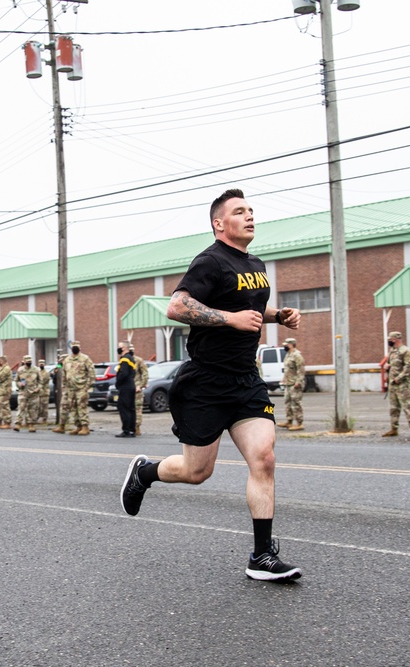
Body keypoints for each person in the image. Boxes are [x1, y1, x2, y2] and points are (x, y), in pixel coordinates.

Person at [120, 188, 303, 582]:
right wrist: (230, 319)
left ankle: (262, 556)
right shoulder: (210, 260)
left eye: (251, 210)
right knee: (196, 471)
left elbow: (247, 306)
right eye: (240, 212)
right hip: (206, 382)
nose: (250, 216)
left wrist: (276, 316)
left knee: (264, 459)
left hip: (245, 380)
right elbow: (178, 306)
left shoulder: (253, 262)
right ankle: (145, 473)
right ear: (220, 224)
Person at [383, 331, 410, 438]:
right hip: (392, 384)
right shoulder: (392, 351)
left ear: (395, 339)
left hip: (403, 384)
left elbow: (409, 367)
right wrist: (388, 366)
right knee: (393, 407)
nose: (389, 341)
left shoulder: (406, 351)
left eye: (390, 339)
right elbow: (393, 364)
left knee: (408, 406)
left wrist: (399, 378)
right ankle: (394, 429)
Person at [59, 341, 93, 436]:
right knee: (73, 408)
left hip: (81, 388)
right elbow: (64, 374)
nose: (75, 348)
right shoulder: (67, 360)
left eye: (76, 347)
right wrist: (64, 386)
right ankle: (78, 426)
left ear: (80, 348)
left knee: (82, 407)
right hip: (70, 389)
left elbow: (91, 373)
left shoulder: (85, 359)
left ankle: (85, 427)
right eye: (73, 347)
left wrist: (88, 386)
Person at [277, 337, 306, 431]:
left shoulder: (297, 355)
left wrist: (298, 382)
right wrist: (283, 380)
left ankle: (299, 423)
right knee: (288, 403)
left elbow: (301, 370)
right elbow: (287, 370)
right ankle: (289, 421)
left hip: (295, 383)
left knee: (296, 403)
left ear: (291, 345)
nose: (284, 346)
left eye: (286, 345)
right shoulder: (288, 355)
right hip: (288, 383)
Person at [114, 342, 136, 438]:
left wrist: (118, 383)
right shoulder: (131, 358)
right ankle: (132, 430)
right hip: (130, 385)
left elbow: (123, 373)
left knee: (124, 408)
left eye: (119, 347)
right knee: (131, 408)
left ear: (123, 348)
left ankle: (126, 430)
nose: (118, 349)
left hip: (125, 387)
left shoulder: (125, 359)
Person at [13, 355, 40, 432]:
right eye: (27, 361)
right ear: (24, 361)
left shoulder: (35, 369)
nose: (29, 363)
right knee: (21, 408)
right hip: (23, 392)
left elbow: (40, 381)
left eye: (30, 362)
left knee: (32, 409)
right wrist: (19, 384)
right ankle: (18, 424)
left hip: (33, 392)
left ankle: (31, 425)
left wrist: (38, 388)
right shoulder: (20, 370)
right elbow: (16, 380)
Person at [130, 345, 148, 435]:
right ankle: (129, 427)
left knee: (137, 409)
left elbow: (145, 373)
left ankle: (136, 427)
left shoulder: (138, 360)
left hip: (136, 389)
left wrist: (141, 386)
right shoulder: (124, 361)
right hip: (128, 389)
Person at [0, 356, 14, 429]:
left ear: (3, 361)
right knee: (1, 406)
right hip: (1, 390)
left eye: (0, 361)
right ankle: (2, 421)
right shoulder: (2, 368)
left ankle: (7, 422)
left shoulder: (6, 369)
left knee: (5, 407)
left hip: (4, 390)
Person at [37, 359, 51, 424]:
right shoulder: (38, 372)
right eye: (40, 363)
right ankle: (37, 418)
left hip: (44, 392)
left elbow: (42, 381)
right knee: (38, 406)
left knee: (45, 406)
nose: (41, 364)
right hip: (38, 392)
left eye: (42, 363)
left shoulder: (46, 373)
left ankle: (44, 419)